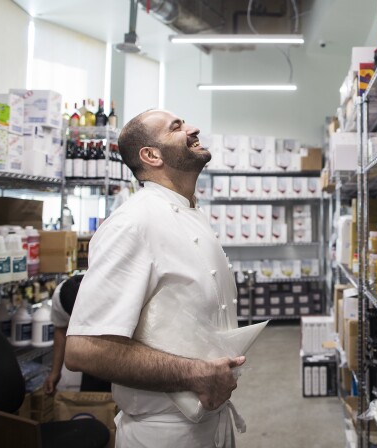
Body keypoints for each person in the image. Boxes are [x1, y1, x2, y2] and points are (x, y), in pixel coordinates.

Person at [64, 110, 245, 448]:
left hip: (211, 423)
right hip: (164, 433)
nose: (193, 128)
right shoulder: (132, 224)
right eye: (177, 127)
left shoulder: (190, 213)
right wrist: (193, 373)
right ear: (151, 155)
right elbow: (83, 349)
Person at [43, 275, 111, 395]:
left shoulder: (113, 294)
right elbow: (61, 330)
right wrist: (55, 372)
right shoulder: (61, 297)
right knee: (94, 404)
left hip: (121, 352)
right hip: (92, 364)